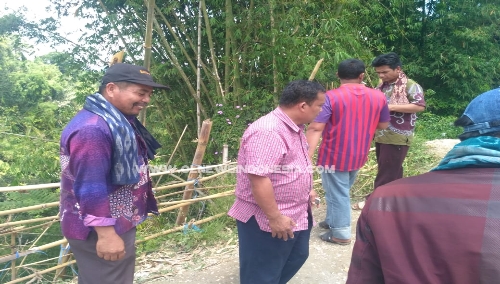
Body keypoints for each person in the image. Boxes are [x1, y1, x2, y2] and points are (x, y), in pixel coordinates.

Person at [346, 88, 500, 284]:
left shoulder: (386, 200)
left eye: (384, 71)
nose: (382, 75)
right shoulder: (381, 89)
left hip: (393, 142)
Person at [59, 63, 169, 284]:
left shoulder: (114, 121)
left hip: (116, 220)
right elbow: (91, 187)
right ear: (111, 89)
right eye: (140, 93)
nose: (146, 100)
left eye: (149, 94)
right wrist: (106, 235)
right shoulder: (93, 129)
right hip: (100, 227)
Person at [228, 80, 326, 284]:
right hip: (268, 217)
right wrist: (274, 217)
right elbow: (258, 178)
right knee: (263, 272)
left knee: (295, 257)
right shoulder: (269, 131)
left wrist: (306, 189)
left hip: (295, 211)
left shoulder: (294, 127)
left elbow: (289, 165)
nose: (321, 110)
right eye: (319, 105)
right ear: (303, 105)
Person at [305, 59, 390, 245]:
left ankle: (341, 233)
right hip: (359, 153)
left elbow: (316, 128)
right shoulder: (379, 97)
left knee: (338, 193)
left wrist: (305, 156)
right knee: (340, 191)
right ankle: (332, 221)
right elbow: (383, 124)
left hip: (334, 155)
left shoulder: (330, 97)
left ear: (338, 75)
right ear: (361, 76)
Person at [370, 52, 425, 197]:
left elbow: (419, 106)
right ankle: (394, 199)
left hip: (398, 134)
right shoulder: (382, 85)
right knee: (390, 168)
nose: (381, 76)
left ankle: (376, 199)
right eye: (378, 73)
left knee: (388, 171)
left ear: (398, 69)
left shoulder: (411, 85)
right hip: (381, 134)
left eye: (385, 72)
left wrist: (390, 107)